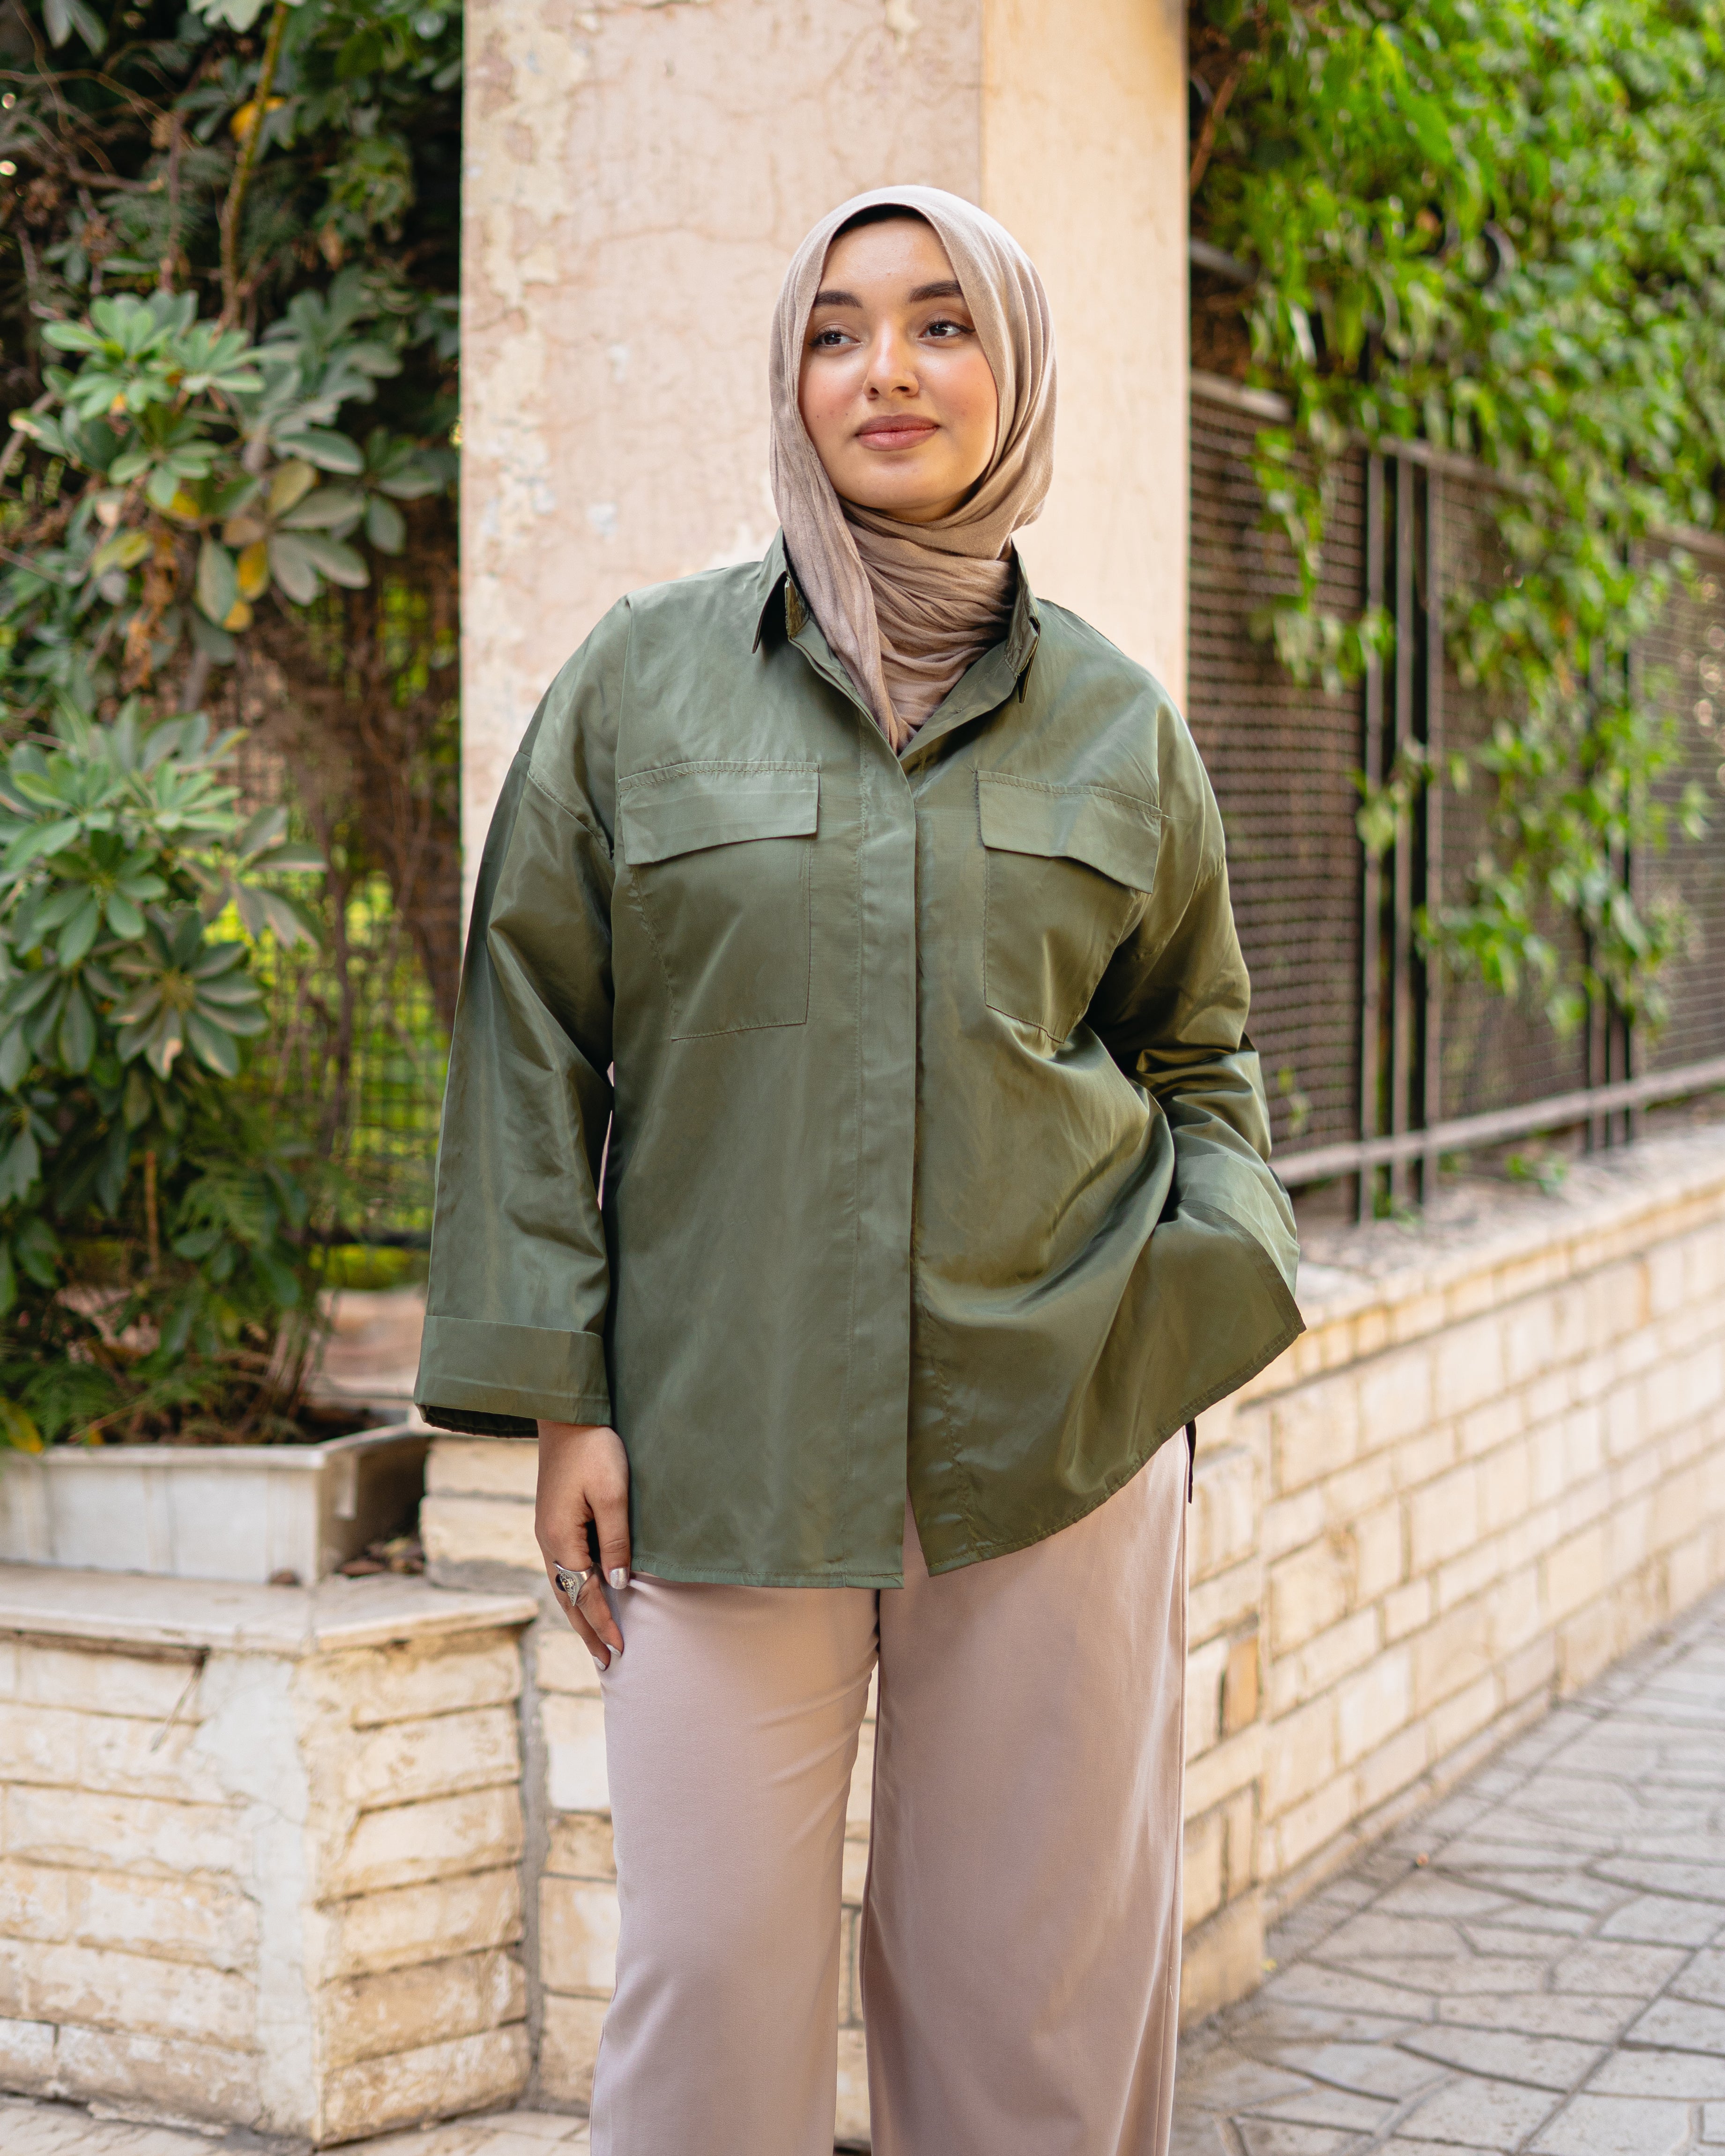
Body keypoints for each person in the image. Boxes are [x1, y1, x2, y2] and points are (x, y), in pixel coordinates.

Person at [416, 185, 1301, 2156]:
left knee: (1036, 2018)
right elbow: (531, 1029)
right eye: (834, 329)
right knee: (709, 1999)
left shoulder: (1115, 723)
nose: (883, 369)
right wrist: (564, 1389)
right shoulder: (644, 683)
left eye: (937, 323)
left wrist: (1191, 1303)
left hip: (1059, 1441)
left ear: (1017, 366)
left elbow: (1201, 1055)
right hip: (726, 1438)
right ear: (791, 375)